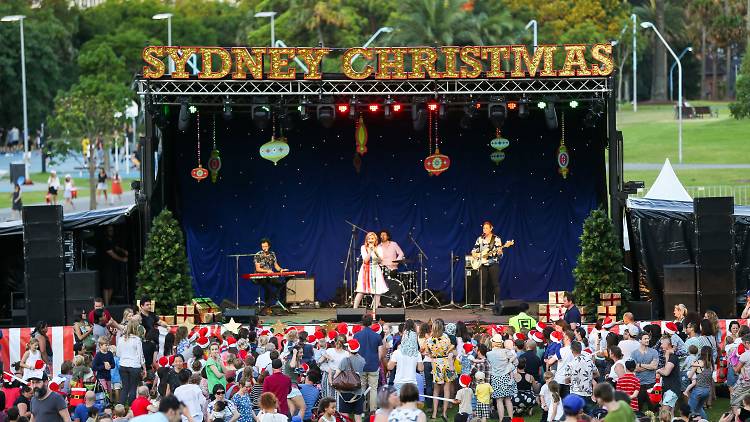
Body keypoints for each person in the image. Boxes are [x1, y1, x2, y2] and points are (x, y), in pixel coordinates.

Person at [471, 221, 510, 315]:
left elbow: (500, 254)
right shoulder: (480, 239)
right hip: (482, 264)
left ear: (491, 228)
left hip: (493, 263)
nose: (485, 230)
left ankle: (497, 304)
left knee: (495, 284)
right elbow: (473, 250)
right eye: (483, 228)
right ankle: (482, 304)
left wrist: (500, 251)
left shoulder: (496, 239)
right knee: (482, 284)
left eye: (487, 228)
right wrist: (475, 254)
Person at [425, 319, 456, 420]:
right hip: (446, 362)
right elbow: (451, 349)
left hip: (436, 364)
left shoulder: (429, 340)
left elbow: (428, 353)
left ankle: (434, 413)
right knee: (446, 389)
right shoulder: (446, 338)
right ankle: (444, 413)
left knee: (436, 390)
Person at [353, 315, 383, 416]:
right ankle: (372, 411)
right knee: (373, 389)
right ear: (371, 323)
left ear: (362, 323)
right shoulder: (377, 336)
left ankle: (361, 411)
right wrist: (377, 362)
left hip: (360, 366)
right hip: (373, 365)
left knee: (361, 388)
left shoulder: (356, 336)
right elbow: (380, 353)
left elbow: (354, 352)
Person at [353, 232, 389, 312]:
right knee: (361, 290)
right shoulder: (363, 247)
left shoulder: (379, 248)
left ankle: (374, 311)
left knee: (377, 291)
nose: (370, 240)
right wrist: (370, 251)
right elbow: (365, 260)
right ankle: (354, 310)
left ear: (375, 239)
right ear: (367, 240)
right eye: (369, 238)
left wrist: (375, 251)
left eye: (372, 238)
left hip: (376, 270)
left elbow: (380, 260)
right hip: (366, 270)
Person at [253, 239, 289, 315]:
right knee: (268, 287)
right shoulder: (258, 255)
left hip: (270, 276)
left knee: (282, 285)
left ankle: (283, 305)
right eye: (263, 246)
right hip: (260, 276)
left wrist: (281, 270)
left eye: (266, 246)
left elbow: (276, 266)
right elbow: (258, 269)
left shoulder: (272, 254)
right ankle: (267, 308)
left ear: (269, 246)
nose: (264, 248)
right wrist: (267, 271)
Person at [335, 340, 366, 422]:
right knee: (358, 416)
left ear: (348, 349)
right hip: (358, 392)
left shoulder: (345, 360)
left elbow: (337, 374)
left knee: (345, 415)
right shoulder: (362, 360)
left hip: (345, 391)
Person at [116, 320, 146, 406]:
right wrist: (144, 368)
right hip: (134, 366)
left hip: (123, 365)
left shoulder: (121, 339)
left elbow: (118, 354)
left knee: (125, 388)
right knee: (133, 388)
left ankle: (120, 409)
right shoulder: (137, 340)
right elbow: (141, 356)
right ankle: (131, 408)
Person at [563, 341, 598, 411]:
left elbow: (566, 381)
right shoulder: (589, 361)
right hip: (588, 393)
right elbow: (597, 374)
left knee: (576, 416)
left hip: (576, 393)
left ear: (572, 350)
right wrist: (587, 377)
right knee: (589, 416)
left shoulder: (570, 364)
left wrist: (576, 377)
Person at [99, 226, 128, 306]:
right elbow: (111, 253)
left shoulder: (112, 240)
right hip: (106, 266)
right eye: (109, 230)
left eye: (112, 230)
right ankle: (106, 304)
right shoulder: (105, 241)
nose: (111, 231)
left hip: (113, 266)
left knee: (112, 286)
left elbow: (116, 248)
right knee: (107, 286)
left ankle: (107, 303)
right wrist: (122, 259)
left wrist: (123, 251)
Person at [631, 332, 659, 412]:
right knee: (638, 409)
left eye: (648, 338)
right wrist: (649, 366)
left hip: (652, 384)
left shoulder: (654, 352)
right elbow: (634, 369)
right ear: (640, 340)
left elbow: (654, 366)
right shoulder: (634, 353)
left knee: (654, 409)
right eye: (645, 339)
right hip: (639, 384)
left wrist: (640, 365)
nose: (647, 340)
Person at [656, 336, 681, 413]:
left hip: (672, 389)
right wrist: (666, 355)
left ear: (668, 344)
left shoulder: (673, 357)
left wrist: (659, 370)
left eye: (662, 343)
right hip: (669, 389)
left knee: (664, 413)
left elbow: (666, 372)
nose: (660, 345)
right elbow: (667, 368)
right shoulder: (669, 356)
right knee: (670, 415)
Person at [687, 346, 713, 419]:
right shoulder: (710, 364)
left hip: (698, 390)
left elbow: (689, 376)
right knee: (699, 409)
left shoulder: (698, 362)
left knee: (690, 409)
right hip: (707, 390)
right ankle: (705, 420)